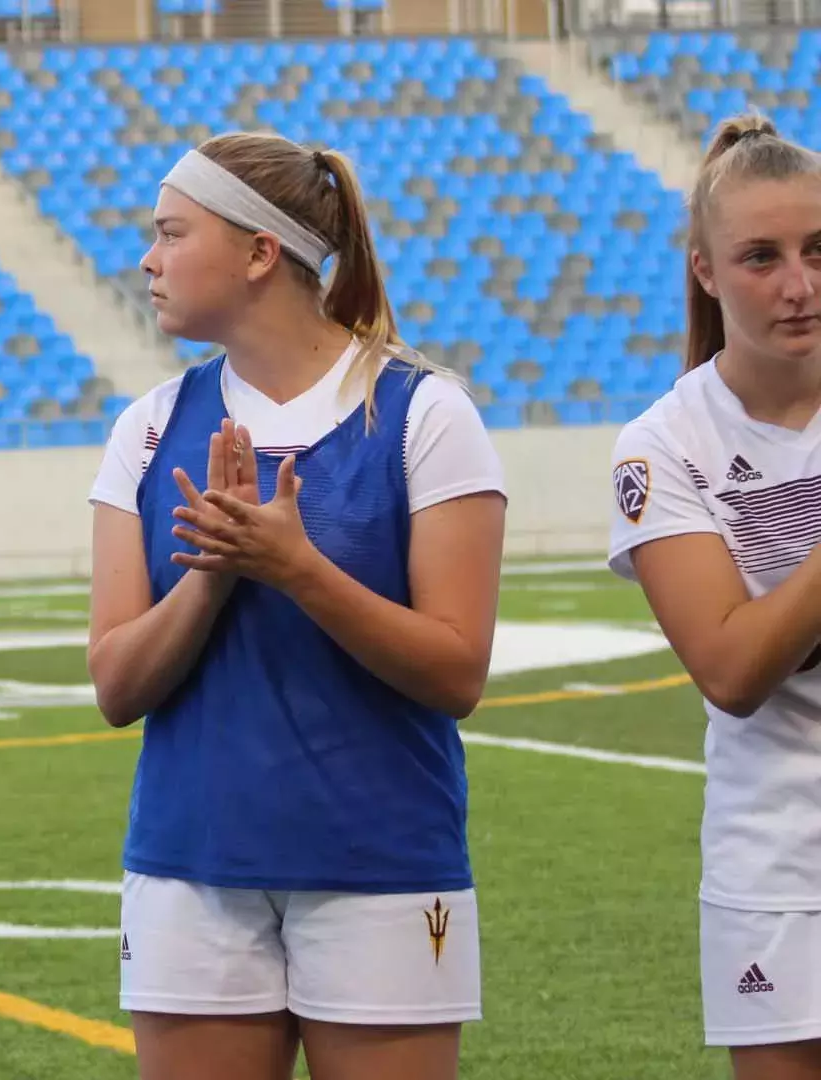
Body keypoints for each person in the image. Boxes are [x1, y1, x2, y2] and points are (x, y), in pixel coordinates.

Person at [85, 131, 509, 1080]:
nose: (148, 261)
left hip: (382, 867)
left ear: (259, 253)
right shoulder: (148, 428)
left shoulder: (427, 413)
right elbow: (115, 684)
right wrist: (216, 573)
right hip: (190, 866)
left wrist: (296, 566)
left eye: (170, 233)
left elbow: (457, 670)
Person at [607, 114, 821, 1078]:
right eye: (761, 257)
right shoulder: (664, 444)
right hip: (780, 856)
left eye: (819, 251)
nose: (799, 286)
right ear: (704, 271)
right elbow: (731, 669)